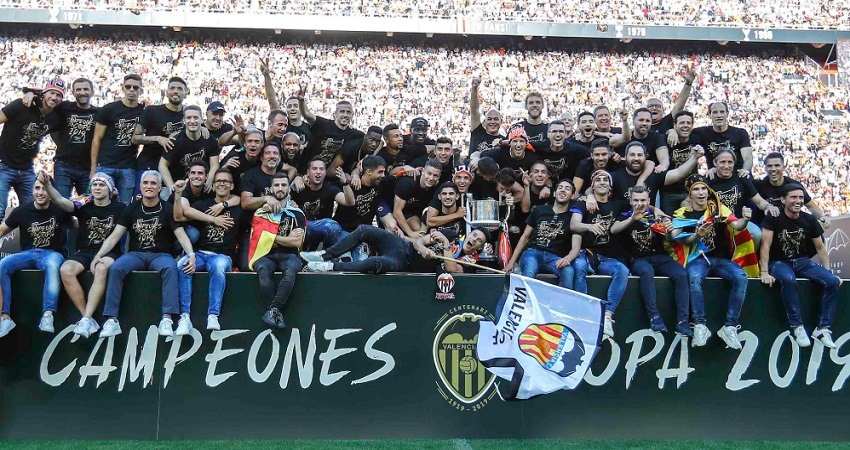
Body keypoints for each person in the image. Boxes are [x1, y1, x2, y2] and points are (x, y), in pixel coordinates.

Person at [93, 170, 196, 338]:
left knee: (170, 268)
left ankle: (167, 318)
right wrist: (99, 254)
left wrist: (191, 255)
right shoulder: (131, 209)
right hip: (136, 254)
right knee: (117, 267)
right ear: (140, 186)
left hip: (161, 254)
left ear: (159, 187)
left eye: (153, 183)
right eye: (146, 183)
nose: (149, 186)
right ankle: (111, 320)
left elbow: (181, 234)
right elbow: (114, 236)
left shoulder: (168, 208)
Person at [671, 175, 753, 350]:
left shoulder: (717, 208)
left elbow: (737, 226)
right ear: (689, 194)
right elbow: (677, 238)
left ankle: (730, 326)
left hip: (721, 259)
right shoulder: (683, 214)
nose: (701, 193)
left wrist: (745, 219)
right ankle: (700, 325)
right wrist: (697, 235)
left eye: (703, 189)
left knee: (741, 277)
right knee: (693, 278)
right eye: (696, 189)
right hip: (698, 259)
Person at [759, 183, 842, 348]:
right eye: (793, 197)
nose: (798, 201)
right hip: (779, 262)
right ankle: (797, 327)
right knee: (789, 280)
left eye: (800, 197)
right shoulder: (773, 218)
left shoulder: (809, 219)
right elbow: (765, 245)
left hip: (802, 262)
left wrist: (828, 272)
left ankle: (823, 328)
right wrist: (764, 271)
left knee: (832, 281)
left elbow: (820, 248)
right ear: (783, 200)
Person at [45, 172, 125, 338]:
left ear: (109, 189)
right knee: (66, 270)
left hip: (109, 252)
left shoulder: (120, 208)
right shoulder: (83, 205)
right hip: (84, 251)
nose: (97, 188)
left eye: (101, 185)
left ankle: (87, 317)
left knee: (101, 268)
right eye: (94, 185)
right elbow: (60, 201)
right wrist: (47, 185)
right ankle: (86, 318)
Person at [611, 185, 691, 336]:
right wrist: (631, 219)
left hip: (661, 256)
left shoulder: (657, 216)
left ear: (649, 201)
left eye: (643, 200)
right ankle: (654, 317)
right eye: (636, 200)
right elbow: (614, 229)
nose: (639, 203)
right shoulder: (625, 215)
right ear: (630, 200)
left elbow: (672, 239)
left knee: (681, 274)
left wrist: (669, 230)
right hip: (638, 259)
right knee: (646, 272)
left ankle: (683, 322)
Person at [0, 176, 71, 337]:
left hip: (53, 254)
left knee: (53, 266)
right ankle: (5, 317)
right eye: (37, 188)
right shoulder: (21, 211)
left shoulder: (60, 210)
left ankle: (48, 315)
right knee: (3, 264)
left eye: (44, 188)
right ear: (32, 190)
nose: (40, 192)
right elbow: (2, 230)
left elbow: (77, 224)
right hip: (27, 253)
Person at [173, 169, 243, 332]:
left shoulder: (239, 209)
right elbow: (181, 216)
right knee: (182, 266)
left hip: (223, 256)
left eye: (226, 181)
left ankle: (213, 315)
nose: (222, 184)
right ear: (212, 184)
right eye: (218, 181)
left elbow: (245, 201)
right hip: (199, 254)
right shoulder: (202, 205)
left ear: (232, 185)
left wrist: (225, 204)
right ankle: (185, 317)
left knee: (218, 268)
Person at [570, 170, 630, 338]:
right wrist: (588, 226)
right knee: (579, 267)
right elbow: (574, 225)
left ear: (610, 186)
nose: (602, 182)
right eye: (598, 180)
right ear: (592, 185)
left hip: (606, 257)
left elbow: (640, 202)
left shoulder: (618, 205)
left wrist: (655, 209)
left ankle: (607, 315)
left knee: (623, 271)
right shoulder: (583, 204)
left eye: (606, 179)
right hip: (585, 253)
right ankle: (584, 316)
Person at [301, 225, 489, 274]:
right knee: (366, 230)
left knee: (375, 264)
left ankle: (328, 267)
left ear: (480, 247)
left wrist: (446, 246)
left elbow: (452, 269)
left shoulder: (470, 262)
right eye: (474, 235)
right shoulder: (451, 233)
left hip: (405, 264)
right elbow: (418, 241)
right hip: (403, 246)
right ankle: (325, 255)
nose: (474, 239)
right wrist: (422, 247)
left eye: (478, 240)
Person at [248, 172, 306, 330]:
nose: (280, 188)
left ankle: (273, 309)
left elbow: (296, 242)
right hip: (266, 256)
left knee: (292, 270)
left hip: (290, 256)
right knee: (263, 271)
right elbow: (260, 241)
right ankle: (276, 312)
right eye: (276, 185)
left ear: (288, 188)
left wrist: (269, 237)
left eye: (283, 185)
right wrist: (281, 239)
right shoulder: (261, 212)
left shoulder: (297, 213)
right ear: (270, 188)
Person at [0, 77, 63, 221]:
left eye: (58, 95)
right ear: (44, 93)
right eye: (51, 93)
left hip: (27, 168)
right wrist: (29, 93)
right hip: (3, 164)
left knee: (31, 213)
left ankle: (29, 244)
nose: (54, 97)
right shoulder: (20, 105)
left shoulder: (55, 118)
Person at [507, 179, 582, 290]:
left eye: (567, 189)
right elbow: (524, 237)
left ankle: (562, 306)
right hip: (533, 252)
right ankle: (526, 305)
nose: (563, 190)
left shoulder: (574, 217)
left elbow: (576, 247)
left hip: (555, 257)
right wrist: (511, 262)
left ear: (572, 196)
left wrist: (567, 259)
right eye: (560, 188)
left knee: (568, 270)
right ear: (554, 193)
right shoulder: (540, 210)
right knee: (529, 272)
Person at [39, 77, 100, 198]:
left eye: (86, 89)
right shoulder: (64, 107)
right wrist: (29, 94)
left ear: (92, 92)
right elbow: (44, 99)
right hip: (64, 165)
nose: (82, 92)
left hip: (87, 168)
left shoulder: (99, 113)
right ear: (73, 93)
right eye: (78, 89)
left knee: (89, 205)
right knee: (61, 204)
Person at [91, 74, 145, 204]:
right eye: (128, 87)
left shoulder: (145, 111)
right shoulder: (109, 109)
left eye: (135, 87)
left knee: (124, 206)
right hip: (105, 165)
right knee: (99, 204)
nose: (132, 90)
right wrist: (93, 167)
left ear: (141, 90)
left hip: (128, 166)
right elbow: (96, 139)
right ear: (123, 88)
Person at [707, 149, 779, 245]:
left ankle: (752, 259)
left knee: (757, 234)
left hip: (739, 221)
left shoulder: (741, 178)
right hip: (715, 223)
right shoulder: (708, 179)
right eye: (723, 162)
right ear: (715, 163)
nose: (727, 166)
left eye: (730, 162)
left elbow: (759, 201)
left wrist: (769, 206)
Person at [132, 76, 189, 187]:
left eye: (180, 89)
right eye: (172, 88)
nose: (176, 91)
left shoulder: (188, 115)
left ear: (186, 93)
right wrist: (157, 138)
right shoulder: (152, 111)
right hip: (148, 166)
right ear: (167, 93)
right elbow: (135, 138)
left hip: (174, 171)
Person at [292, 156, 355, 250]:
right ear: (308, 172)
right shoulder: (299, 186)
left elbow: (349, 202)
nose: (318, 172)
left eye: (321, 169)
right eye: (314, 169)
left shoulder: (330, 189)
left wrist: (345, 183)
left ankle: (328, 257)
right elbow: (283, 197)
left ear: (325, 173)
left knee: (333, 226)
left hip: (322, 228)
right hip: (299, 228)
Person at [752, 152, 829, 228]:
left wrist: (823, 217)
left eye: (777, 165)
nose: (773, 169)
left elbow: (811, 206)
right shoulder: (758, 185)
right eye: (769, 166)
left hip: (790, 226)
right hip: (766, 227)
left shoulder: (794, 185)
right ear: (765, 168)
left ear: (784, 167)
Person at [158, 105, 220, 194]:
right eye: (188, 118)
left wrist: (209, 181)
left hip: (200, 183)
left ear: (202, 119)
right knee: (165, 197)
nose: (192, 121)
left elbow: (214, 165)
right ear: (184, 120)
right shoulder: (175, 141)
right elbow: (162, 165)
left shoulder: (211, 140)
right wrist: (171, 187)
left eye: (196, 117)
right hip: (177, 182)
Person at [660, 111, 702, 215]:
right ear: (675, 125)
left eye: (688, 123)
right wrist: (670, 131)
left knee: (691, 224)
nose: (685, 126)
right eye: (682, 123)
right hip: (669, 193)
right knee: (669, 224)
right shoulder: (665, 140)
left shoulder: (697, 139)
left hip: (690, 192)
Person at [393, 159, 443, 237]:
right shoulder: (407, 183)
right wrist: (410, 233)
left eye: (435, 175)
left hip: (419, 213)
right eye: (429, 173)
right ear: (423, 171)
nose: (431, 178)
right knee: (418, 230)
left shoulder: (436, 187)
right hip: (400, 212)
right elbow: (397, 211)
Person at [220, 128, 264, 192]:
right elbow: (218, 180)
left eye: (257, 142)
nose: (253, 145)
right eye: (249, 141)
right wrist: (225, 167)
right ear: (244, 144)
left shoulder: (265, 159)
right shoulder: (234, 157)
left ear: (262, 144)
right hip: (234, 196)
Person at [469, 76, 503, 155]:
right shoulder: (478, 132)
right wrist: (474, 89)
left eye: (496, 119)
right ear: (484, 122)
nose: (492, 122)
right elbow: (474, 109)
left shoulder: (503, 141)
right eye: (490, 119)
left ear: (501, 122)